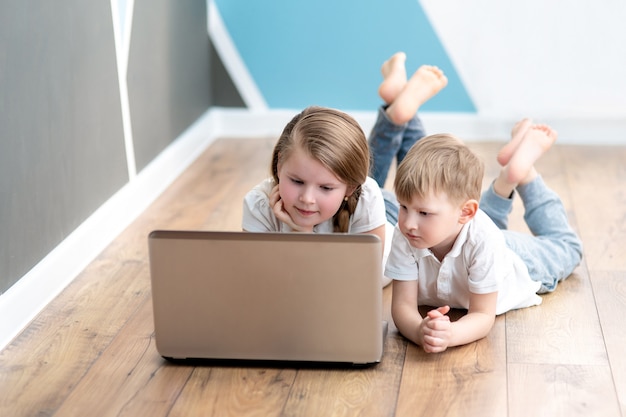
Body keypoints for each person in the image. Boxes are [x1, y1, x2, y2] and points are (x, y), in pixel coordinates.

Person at [242, 53, 447, 287]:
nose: (307, 198)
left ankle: (399, 113)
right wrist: (301, 231)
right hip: (353, 197)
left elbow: (352, 284)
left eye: (325, 187)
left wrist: (303, 233)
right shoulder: (257, 204)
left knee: (417, 181)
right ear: (279, 164)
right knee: (359, 169)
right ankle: (397, 109)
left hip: (384, 212)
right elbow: (262, 282)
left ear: (350, 187)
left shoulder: (365, 194)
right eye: (297, 181)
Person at [385, 121, 584, 353]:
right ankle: (508, 178)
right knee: (482, 227)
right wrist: (419, 330)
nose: (408, 222)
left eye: (424, 213)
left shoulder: (484, 240)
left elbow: (482, 315)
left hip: (520, 262)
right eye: (403, 207)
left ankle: (525, 176)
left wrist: (451, 334)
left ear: (466, 212)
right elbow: (402, 306)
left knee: (567, 246)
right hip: (476, 239)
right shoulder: (408, 234)